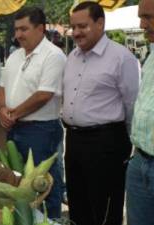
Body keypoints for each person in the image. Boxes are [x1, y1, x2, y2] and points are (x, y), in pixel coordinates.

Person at [63, 2, 139, 225]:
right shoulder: (72, 57)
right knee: (78, 204)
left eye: (83, 26)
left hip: (106, 143)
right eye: (73, 27)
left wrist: (124, 145)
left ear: (100, 23)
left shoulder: (121, 58)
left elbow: (132, 104)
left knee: (104, 208)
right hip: (74, 141)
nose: (76, 32)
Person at [0, 7, 66, 219]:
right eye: (16, 29)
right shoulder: (15, 56)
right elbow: (1, 88)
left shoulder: (54, 55)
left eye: (24, 29)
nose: (18, 35)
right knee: (19, 181)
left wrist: (12, 114)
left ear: (41, 28)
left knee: (45, 184)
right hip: (15, 128)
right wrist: (0, 110)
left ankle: (50, 221)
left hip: (41, 131)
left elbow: (44, 94)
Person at [126, 0, 154, 224]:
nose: (142, 25)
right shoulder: (151, 55)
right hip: (140, 160)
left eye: (148, 17)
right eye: (141, 17)